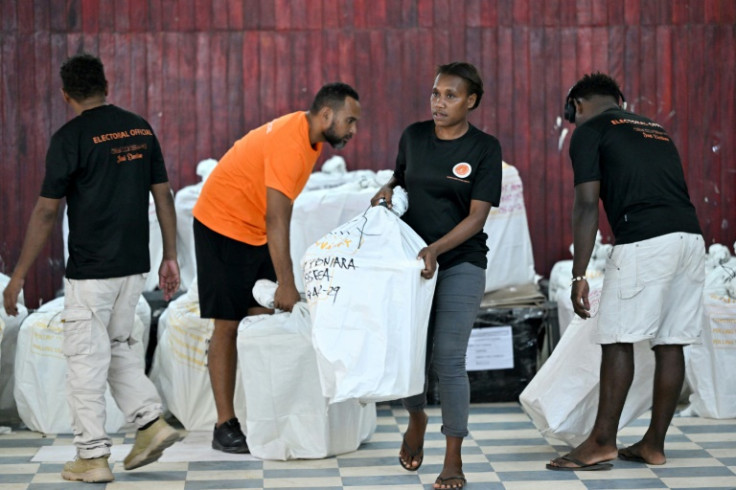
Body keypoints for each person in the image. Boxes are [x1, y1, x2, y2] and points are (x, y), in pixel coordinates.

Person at [2, 53, 181, 483]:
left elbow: (47, 212)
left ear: (66, 95)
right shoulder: (140, 128)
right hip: (133, 266)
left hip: (91, 271)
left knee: (84, 358)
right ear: (106, 85)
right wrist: (170, 256)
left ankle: (92, 456)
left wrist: (20, 275)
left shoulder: (70, 137)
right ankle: (151, 422)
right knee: (117, 346)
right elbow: (164, 195)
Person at [547, 72, 705, 471]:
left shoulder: (589, 131)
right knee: (671, 343)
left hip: (644, 243)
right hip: (690, 240)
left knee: (617, 340)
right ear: (620, 100)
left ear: (576, 106)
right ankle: (654, 445)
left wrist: (579, 273)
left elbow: (586, 204)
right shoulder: (655, 128)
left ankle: (601, 442)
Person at [192, 82, 361, 454]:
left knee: (263, 322)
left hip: (252, 230)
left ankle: (265, 416)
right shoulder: (291, 141)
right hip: (220, 225)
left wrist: (286, 280)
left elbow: (274, 217)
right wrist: (286, 281)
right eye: (350, 121)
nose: (352, 130)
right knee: (228, 323)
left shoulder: (310, 139)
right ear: (326, 114)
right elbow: (277, 218)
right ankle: (224, 425)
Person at [371, 62, 502, 490]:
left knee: (448, 357)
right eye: (434, 93)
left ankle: (453, 458)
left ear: (471, 101)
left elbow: (477, 217)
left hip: (461, 260)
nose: (438, 103)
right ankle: (416, 417)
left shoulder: (485, 148)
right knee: (413, 356)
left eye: (450, 95)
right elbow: (401, 175)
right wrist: (389, 187)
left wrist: (437, 249)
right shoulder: (414, 136)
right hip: (412, 264)